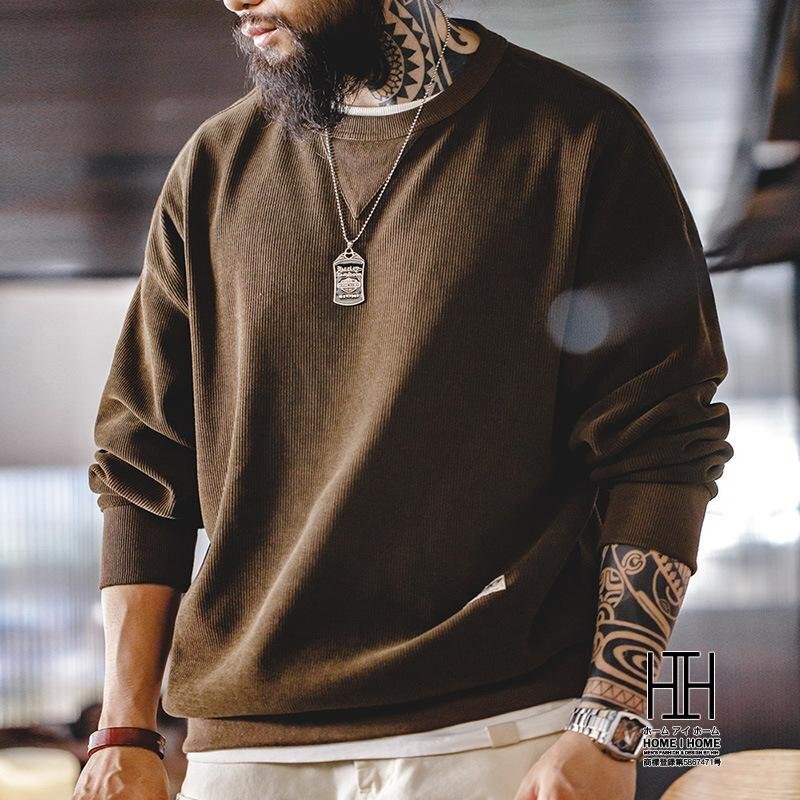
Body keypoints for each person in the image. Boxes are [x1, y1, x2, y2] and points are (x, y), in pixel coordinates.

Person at [72, 0, 734, 798]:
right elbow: (144, 470)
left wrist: (612, 722)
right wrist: (124, 729)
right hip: (246, 753)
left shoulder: (578, 137)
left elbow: (662, 448)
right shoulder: (213, 167)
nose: (235, 0)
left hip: (503, 735)